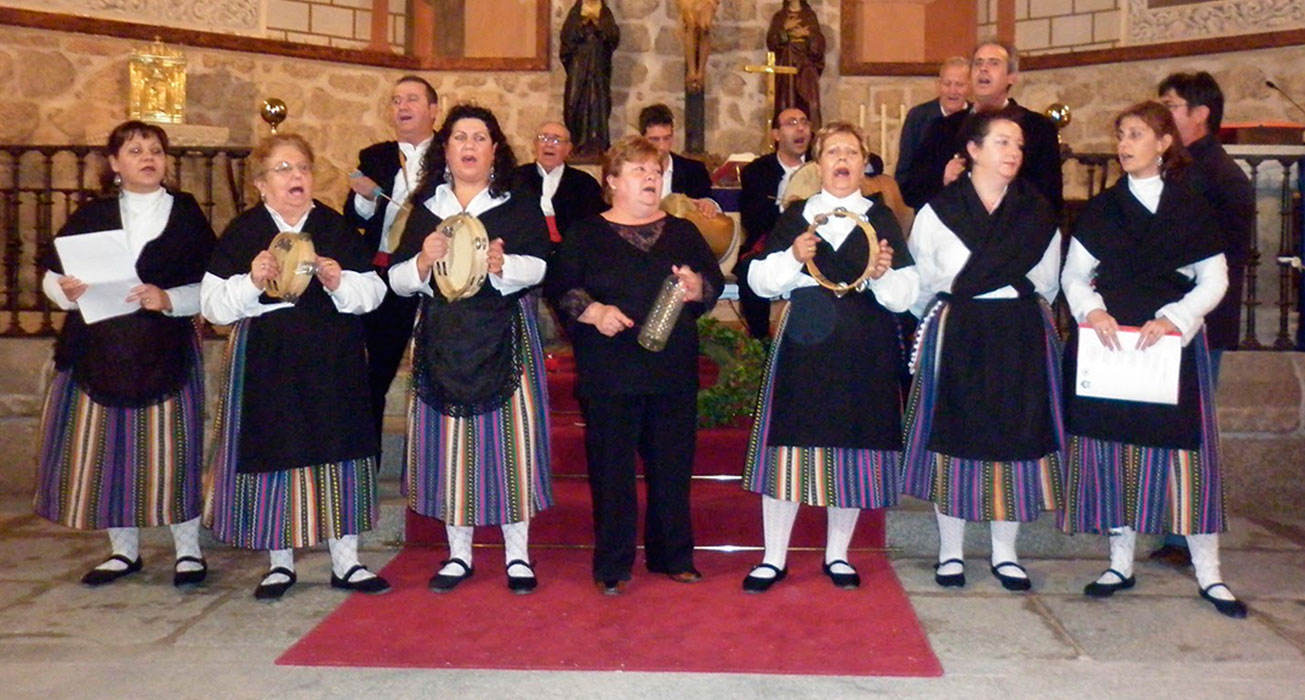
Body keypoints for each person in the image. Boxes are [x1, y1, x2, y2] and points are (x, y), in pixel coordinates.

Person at [1060, 101, 1245, 618]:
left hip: (1169, 346)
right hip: (1116, 345)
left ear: (1164, 142)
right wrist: (1092, 311)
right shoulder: (1102, 208)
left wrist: (1176, 319)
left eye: (1136, 134)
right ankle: (1120, 563)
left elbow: (1216, 280)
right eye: (1121, 134)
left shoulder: (1191, 206)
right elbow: (1073, 275)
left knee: (1189, 462)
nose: (1124, 144)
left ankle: (1210, 573)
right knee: (1120, 453)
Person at [202, 133, 390, 600]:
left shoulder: (334, 227)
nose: (297, 177)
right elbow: (213, 307)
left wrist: (338, 280)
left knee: (338, 448)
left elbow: (374, 295)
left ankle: (347, 563)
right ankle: (279, 563)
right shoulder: (244, 231)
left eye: (302, 167)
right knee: (274, 450)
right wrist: (251, 280)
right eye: (284, 169)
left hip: (333, 359)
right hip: (268, 360)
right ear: (262, 184)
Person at [35, 120, 215, 588]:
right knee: (109, 453)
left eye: (155, 149)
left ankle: (188, 551)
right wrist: (68, 290)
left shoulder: (188, 214)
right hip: (100, 348)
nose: (148, 157)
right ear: (115, 164)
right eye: (135, 150)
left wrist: (170, 298)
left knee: (174, 452)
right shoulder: (92, 215)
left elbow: (212, 286)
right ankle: (123, 551)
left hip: (164, 348)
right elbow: (52, 277)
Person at [739, 122, 917, 592]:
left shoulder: (880, 219)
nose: (842, 159)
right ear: (818, 164)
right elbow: (758, 282)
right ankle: (773, 556)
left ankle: (838, 554)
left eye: (851, 152)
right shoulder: (797, 216)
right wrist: (794, 256)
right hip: (806, 339)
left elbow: (907, 296)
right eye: (833, 151)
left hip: (864, 343)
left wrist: (880, 274)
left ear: (864, 164)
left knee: (853, 446)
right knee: (789, 446)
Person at [545, 136, 723, 595]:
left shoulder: (683, 230)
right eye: (640, 170)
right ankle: (613, 564)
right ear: (612, 181)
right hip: (610, 370)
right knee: (612, 471)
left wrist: (696, 287)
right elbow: (562, 286)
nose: (651, 178)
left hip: (672, 370)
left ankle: (674, 556)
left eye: (656, 170)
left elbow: (713, 282)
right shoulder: (585, 232)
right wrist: (594, 313)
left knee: (672, 467)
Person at [389, 104, 553, 594]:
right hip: (442, 335)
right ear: (446, 149)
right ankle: (458, 554)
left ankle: (518, 555)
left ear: (494, 150)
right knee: (451, 448)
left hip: (502, 333)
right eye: (460, 137)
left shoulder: (517, 203)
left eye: (479, 138)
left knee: (510, 446)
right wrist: (421, 260)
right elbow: (396, 281)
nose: (468, 146)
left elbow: (543, 266)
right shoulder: (427, 209)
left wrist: (505, 265)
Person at [902, 107, 1064, 592]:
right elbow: (923, 282)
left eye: (1018, 144)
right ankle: (950, 551)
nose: (1013, 152)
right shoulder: (938, 211)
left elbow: (1048, 284)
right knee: (955, 435)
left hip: (1016, 331)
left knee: (1013, 437)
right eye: (1001, 142)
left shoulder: (1036, 212)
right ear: (972, 150)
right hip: (960, 333)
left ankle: (1004, 551)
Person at [1150, 72, 1255, 566]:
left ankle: (1184, 537)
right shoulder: (1180, 169)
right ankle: (1161, 525)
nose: (1162, 113)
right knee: (1162, 423)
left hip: (1199, 324)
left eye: (1169, 105)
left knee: (1190, 430)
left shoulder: (1220, 178)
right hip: (1166, 320)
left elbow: (1218, 263)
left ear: (1199, 114)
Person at [344, 75, 438, 447]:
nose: (402, 107)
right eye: (396, 100)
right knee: (373, 375)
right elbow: (355, 219)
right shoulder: (376, 156)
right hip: (383, 275)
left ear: (433, 109)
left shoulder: (449, 155)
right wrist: (365, 198)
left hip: (433, 275)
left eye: (412, 99)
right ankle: (368, 462)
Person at [900, 39, 1062, 215]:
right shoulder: (943, 128)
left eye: (994, 63)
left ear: (1012, 76)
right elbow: (910, 192)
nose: (983, 69)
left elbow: (1050, 200)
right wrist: (943, 177)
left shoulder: (1038, 129)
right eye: (978, 63)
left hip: (1013, 234)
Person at [735, 107, 813, 339]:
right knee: (750, 269)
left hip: (815, 241)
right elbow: (753, 220)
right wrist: (787, 209)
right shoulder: (756, 171)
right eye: (791, 123)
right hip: (770, 239)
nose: (800, 128)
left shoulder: (822, 167)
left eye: (804, 122)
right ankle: (760, 342)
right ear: (776, 135)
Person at [513, 120, 606, 246]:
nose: (549, 145)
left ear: (568, 149)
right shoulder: (515, 178)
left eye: (557, 140)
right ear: (535, 145)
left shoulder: (585, 184)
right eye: (544, 138)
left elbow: (596, 227)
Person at [561, 0, 620, 157]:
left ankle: (597, 142)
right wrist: (582, 26)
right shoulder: (575, 13)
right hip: (579, 66)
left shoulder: (605, 13)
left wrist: (598, 27)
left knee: (597, 103)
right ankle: (576, 141)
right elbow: (566, 38)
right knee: (573, 102)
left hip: (598, 68)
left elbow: (613, 37)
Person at [896, 57, 970, 180]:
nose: (952, 90)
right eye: (947, 84)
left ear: (969, 86)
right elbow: (904, 173)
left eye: (959, 84)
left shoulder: (977, 118)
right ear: (938, 85)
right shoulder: (918, 117)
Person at [638, 103, 716, 214]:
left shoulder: (694, 170)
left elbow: (707, 199)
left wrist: (708, 203)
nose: (662, 146)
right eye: (654, 139)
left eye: (667, 138)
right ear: (642, 139)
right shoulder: (631, 171)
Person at [766, 0, 826, 128]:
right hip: (786, 63)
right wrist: (784, 29)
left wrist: (807, 35)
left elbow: (819, 43)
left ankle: (810, 137)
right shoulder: (780, 16)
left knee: (809, 103)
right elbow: (772, 42)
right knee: (785, 101)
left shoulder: (809, 15)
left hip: (805, 66)